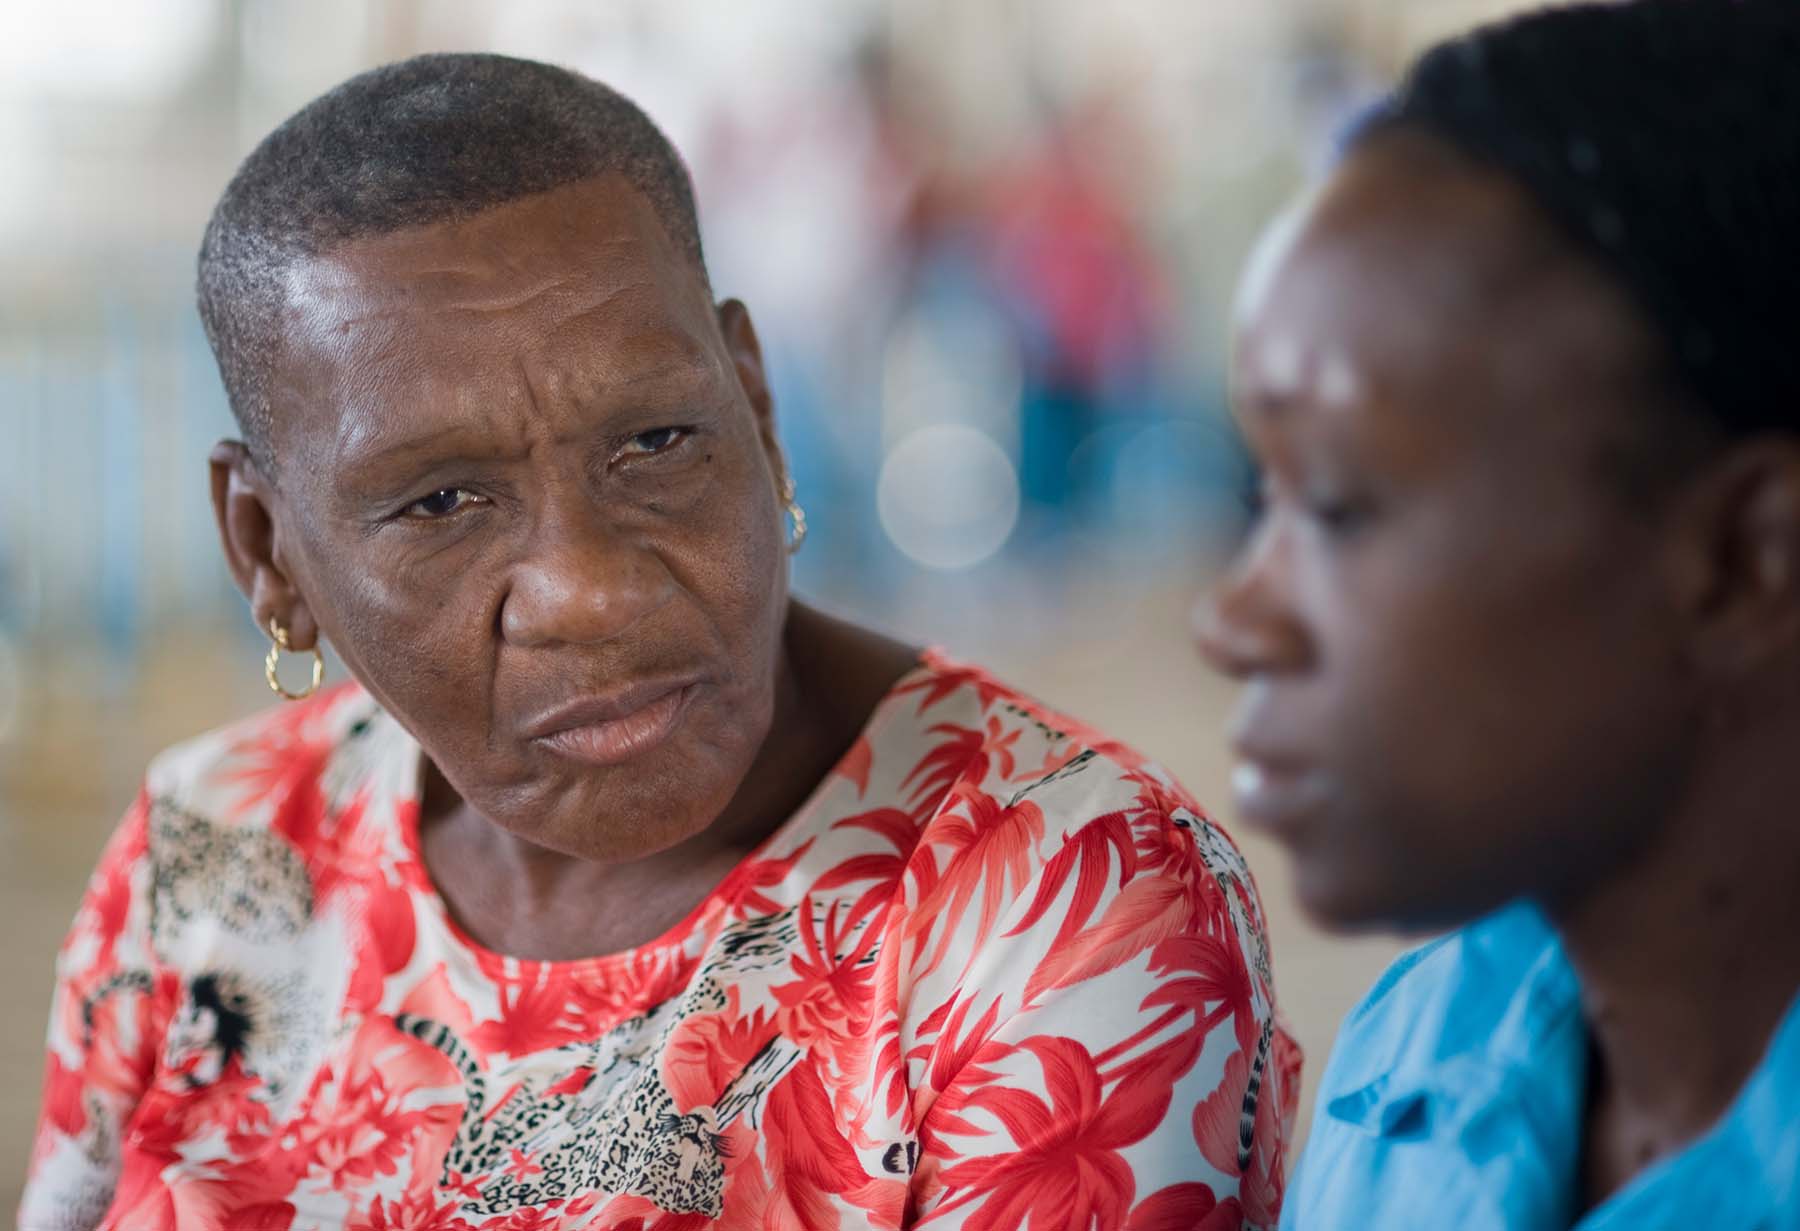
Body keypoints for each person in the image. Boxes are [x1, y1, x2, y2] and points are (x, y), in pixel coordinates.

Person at [21, 54, 1297, 1231]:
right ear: (267, 551)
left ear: (755, 401)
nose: (590, 590)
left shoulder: (1064, 897)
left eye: (655, 442)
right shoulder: (211, 847)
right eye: (439, 503)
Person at [1196, 1, 1800, 1226]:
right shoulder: (1407, 1065)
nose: (1236, 621)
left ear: (1744, 560)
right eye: (1265, 492)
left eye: (1342, 505)